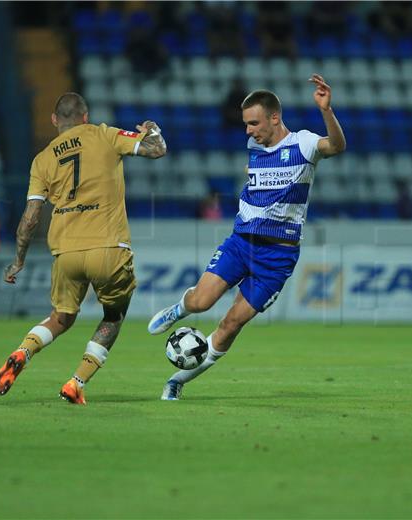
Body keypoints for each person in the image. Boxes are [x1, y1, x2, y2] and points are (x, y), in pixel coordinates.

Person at [147, 74, 346, 401]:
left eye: (253, 123)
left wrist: (327, 111)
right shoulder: (255, 145)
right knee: (200, 302)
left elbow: (336, 146)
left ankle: (177, 381)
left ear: (274, 118)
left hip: (277, 259)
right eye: (245, 124)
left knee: (229, 326)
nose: (248, 131)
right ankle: (179, 309)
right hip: (241, 243)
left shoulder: (304, 144)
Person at [0, 92, 167, 405]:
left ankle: (23, 351)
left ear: (54, 120)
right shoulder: (104, 134)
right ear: (85, 117)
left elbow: (30, 218)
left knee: (61, 316)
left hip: (66, 252)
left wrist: (18, 260)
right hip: (109, 247)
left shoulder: (42, 159)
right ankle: (76, 383)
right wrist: (152, 129)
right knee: (113, 317)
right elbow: (157, 151)